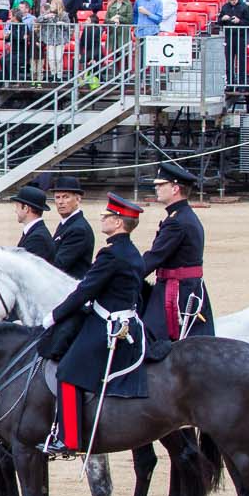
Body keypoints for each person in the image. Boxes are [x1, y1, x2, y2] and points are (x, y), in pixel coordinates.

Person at [39, 193, 155, 457]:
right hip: (127, 321)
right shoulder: (130, 251)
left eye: (107, 216)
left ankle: (69, 438)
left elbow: (84, 291)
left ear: (118, 222)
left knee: (67, 372)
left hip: (108, 325)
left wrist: (54, 316)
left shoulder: (111, 254)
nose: (102, 218)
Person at [140, 163, 214, 339]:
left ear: (174, 188)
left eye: (161, 184)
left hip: (176, 293)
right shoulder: (183, 216)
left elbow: (154, 258)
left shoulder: (177, 221)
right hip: (187, 288)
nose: (156, 187)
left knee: (149, 339)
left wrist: (125, 274)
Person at [48, 177, 94, 277]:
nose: (60, 202)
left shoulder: (78, 229)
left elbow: (59, 265)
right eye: (57, 197)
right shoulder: (67, 223)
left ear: (78, 199)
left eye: (65, 197)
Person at [14, 183, 53, 261]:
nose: (15, 211)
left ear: (26, 208)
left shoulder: (38, 238)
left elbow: (24, 268)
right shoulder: (34, 232)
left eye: (17, 206)